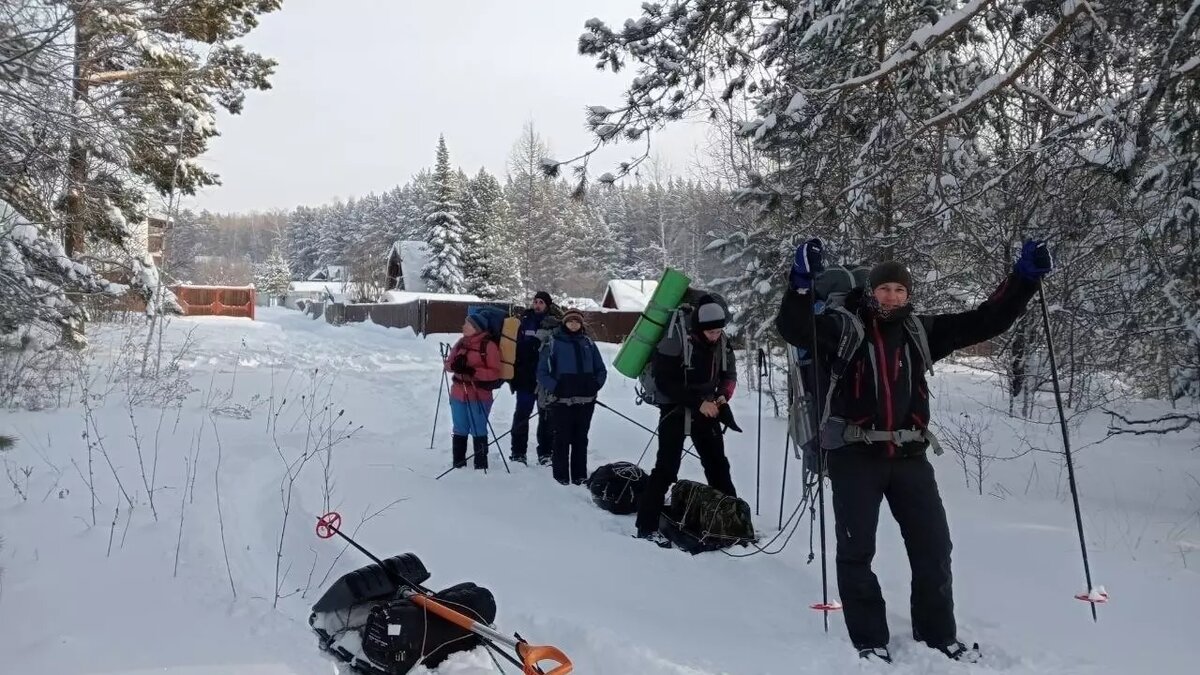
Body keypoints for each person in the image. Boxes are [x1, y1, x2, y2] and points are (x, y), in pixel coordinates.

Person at [775, 238, 1053, 664]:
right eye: (885, 288)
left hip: (909, 458)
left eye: (900, 290)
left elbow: (987, 320)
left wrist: (1024, 279)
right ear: (872, 291)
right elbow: (794, 329)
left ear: (909, 295)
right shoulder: (842, 327)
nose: (892, 296)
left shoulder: (921, 331)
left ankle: (938, 633)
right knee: (856, 552)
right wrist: (799, 283)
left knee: (934, 548)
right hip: (854, 456)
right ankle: (869, 638)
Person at [634, 295, 738, 547]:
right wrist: (697, 403)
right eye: (711, 331)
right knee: (666, 469)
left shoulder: (722, 343)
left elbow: (729, 377)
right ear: (700, 327)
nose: (715, 335)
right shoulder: (676, 338)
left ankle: (733, 524)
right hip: (675, 409)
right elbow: (664, 380)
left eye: (718, 331)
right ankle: (646, 527)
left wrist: (721, 400)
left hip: (708, 410)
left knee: (718, 467)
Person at [536, 308, 607, 485]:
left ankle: (579, 476)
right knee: (561, 439)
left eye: (577, 322)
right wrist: (556, 387)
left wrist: (595, 385)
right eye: (570, 321)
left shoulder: (589, 343)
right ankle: (560, 476)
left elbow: (601, 370)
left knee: (581, 439)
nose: (573, 324)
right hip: (561, 401)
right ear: (564, 323)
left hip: (586, 401)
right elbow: (542, 372)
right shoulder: (553, 343)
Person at [443, 309, 503, 471]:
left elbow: (495, 373)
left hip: (479, 395)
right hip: (458, 394)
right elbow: (448, 365)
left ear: (476, 328)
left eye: (467, 324)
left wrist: (473, 371)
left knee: (478, 429)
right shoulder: (461, 343)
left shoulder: (488, 346)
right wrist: (454, 365)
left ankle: (481, 465)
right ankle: (458, 463)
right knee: (459, 428)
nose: (463, 326)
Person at [509, 291, 561, 465]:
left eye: (541, 302)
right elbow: (514, 347)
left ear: (547, 305)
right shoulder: (524, 320)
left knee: (546, 417)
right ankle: (517, 452)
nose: (537, 304)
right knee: (522, 414)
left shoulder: (555, 323)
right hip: (525, 377)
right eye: (536, 301)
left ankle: (545, 453)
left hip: (545, 379)